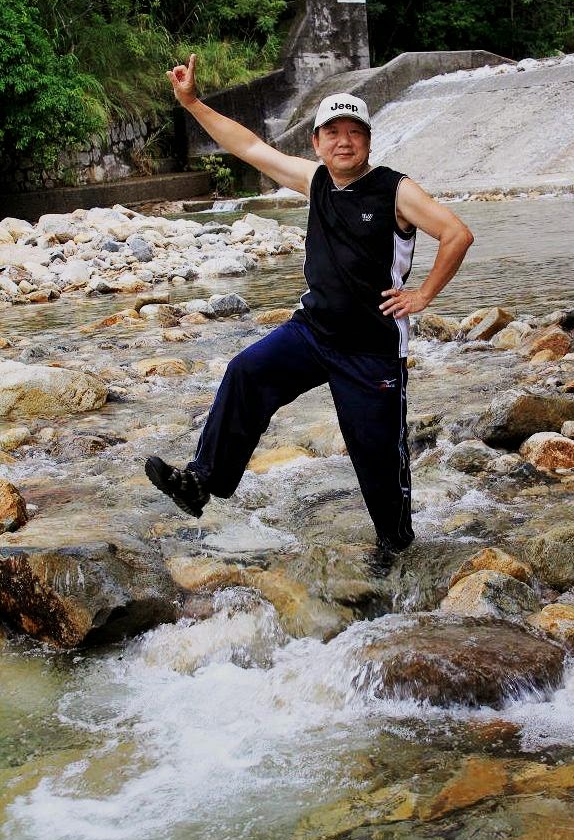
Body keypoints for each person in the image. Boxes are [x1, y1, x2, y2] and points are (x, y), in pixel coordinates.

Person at [146, 54, 474, 563]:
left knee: (377, 459)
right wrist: (192, 103)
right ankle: (202, 482)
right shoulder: (314, 180)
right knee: (246, 372)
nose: (344, 141)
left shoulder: (395, 190)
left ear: (368, 141)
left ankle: (395, 547)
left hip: (371, 350)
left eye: (355, 133)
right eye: (333, 133)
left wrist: (423, 294)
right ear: (316, 142)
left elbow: (456, 233)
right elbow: (248, 146)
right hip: (312, 333)